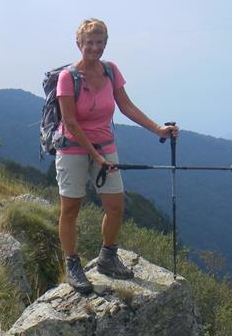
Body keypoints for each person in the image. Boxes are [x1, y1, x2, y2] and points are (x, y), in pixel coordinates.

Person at [56, 18, 179, 294]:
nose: (95, 47)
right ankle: (72, 264)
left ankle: (107, 257)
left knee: (115, 206)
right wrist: (96, 157)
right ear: (79, 44)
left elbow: (126, 106)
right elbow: (71, 123)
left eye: (100, 42)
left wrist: (158, 129)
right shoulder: (67, 78)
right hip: (73, 148)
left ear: (106, 43)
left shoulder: (111, 71)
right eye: (89, 42)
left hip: (105, 146)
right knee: (71, 209)